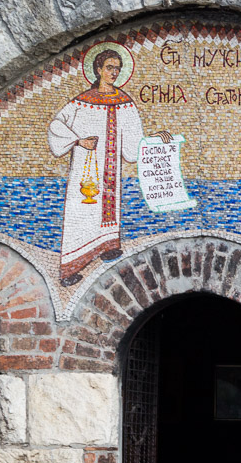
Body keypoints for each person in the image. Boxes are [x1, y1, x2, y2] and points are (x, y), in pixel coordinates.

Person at [47, 44, 170, 286]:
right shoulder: (81, 102)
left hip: (111, 172)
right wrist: (78, 140)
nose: (114, 73)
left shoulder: (124, 102)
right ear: (98, 69)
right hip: (85, 171)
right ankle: (69, 269)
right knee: (80, 214)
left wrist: (154, 139)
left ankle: (108, 246)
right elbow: (56, 125)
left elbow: (133, 146)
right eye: (109, 68)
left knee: (108, 208)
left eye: (118, 68)